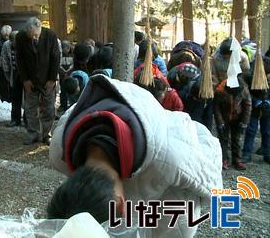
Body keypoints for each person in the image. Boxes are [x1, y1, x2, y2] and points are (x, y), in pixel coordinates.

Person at [48, 75, 222, 236]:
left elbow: (212, 177)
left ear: (121, 205)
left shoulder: (173, 157)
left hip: (166, 192)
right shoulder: (59, 150)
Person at [16, 17, 60, 145]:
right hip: (30, 79)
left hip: (47, 78)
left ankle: (47, 134)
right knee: (30, 108)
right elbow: (20, 60)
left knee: (49, 108)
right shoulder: (21, 37)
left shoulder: (50, 35)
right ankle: (33, 133)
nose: (34, 38)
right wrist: (25, 80)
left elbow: (55, 58)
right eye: (31, 36)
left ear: (40, 27)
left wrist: (52, 79)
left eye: (36, 35)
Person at [214, 77, 251, 170]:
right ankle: (224, 159)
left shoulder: (244, 90)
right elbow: (216, 107)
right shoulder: (220, 90)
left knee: (237, 139)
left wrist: (244, 122)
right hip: (224, 117)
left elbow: (248, 106)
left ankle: (237, 160)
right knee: (223, 138)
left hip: (237, 117)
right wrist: (220, 121)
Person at [242, 56, 270, 164]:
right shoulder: (249, 75)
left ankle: (267, 153)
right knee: (251, 130)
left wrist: (267, 102)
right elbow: (245, 92)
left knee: (267, 131)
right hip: (254, 107)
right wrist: (256, 102)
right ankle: (246, 153)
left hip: (267, 107)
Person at [1, 31, 25, 127]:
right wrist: (7, 74)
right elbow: (4, 59)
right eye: (12, 42)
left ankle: (27, 120)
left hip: (26, 74)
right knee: (15, 97)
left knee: (28, 98)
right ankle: (15, 119)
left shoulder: (25, 43)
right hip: (14, 73)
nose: (14, 44)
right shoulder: (6, 45)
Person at [0, 25, 12, 102]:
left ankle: (10, 97)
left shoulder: (12, 42)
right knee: (3, 83)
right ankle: (4, 98)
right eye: (5, 35)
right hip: (2, 66)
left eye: (7, 35)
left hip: (10, 65)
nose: (6, 37)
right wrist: (0, 60)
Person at [59, 41, 74, 112]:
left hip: (70, 75)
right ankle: (63, 105)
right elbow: (58, 65)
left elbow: (73, 64)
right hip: (62, 76)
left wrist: (68, 71)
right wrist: (63, 72)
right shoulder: (60, 55)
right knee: (63, 91)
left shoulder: (72, 55)